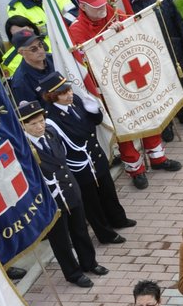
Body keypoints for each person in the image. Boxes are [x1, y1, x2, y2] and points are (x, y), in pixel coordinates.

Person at [16, 33, 136, 240]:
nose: (69, 95)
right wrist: (89, 120)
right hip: (79, 163)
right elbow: (78, 134)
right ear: (53, 97)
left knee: (108, 189)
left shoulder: (76, 103)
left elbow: (95, 123)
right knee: (91, 201)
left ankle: (118, 218)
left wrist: (95, 110)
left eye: (69, 90)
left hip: (94, 155)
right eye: (63, 93)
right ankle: (105, 233)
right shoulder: (51, 119)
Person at [65, 0, 181, 187]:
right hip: (111, 87)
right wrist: (106, 36)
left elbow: (135, 24)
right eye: (96, 7)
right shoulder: (76, 29)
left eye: (102, 4)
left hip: (133, 75)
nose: (102, 10)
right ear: (82, 7)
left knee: (147, 112)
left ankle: (158, 158)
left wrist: (124, 26)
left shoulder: (112, 13)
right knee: (125, 123)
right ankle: (135, 170)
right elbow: (82, 57)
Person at [16, 99, 104, 290]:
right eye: (33, 124)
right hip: (51, 198)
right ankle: (73, 273)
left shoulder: (51, 133)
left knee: (80, 229)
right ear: (23, 125)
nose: (40, 126)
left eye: (41, 121)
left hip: (69, 188)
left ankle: (89, 262)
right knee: (61, 239)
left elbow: (62, 159)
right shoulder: (22, 148)